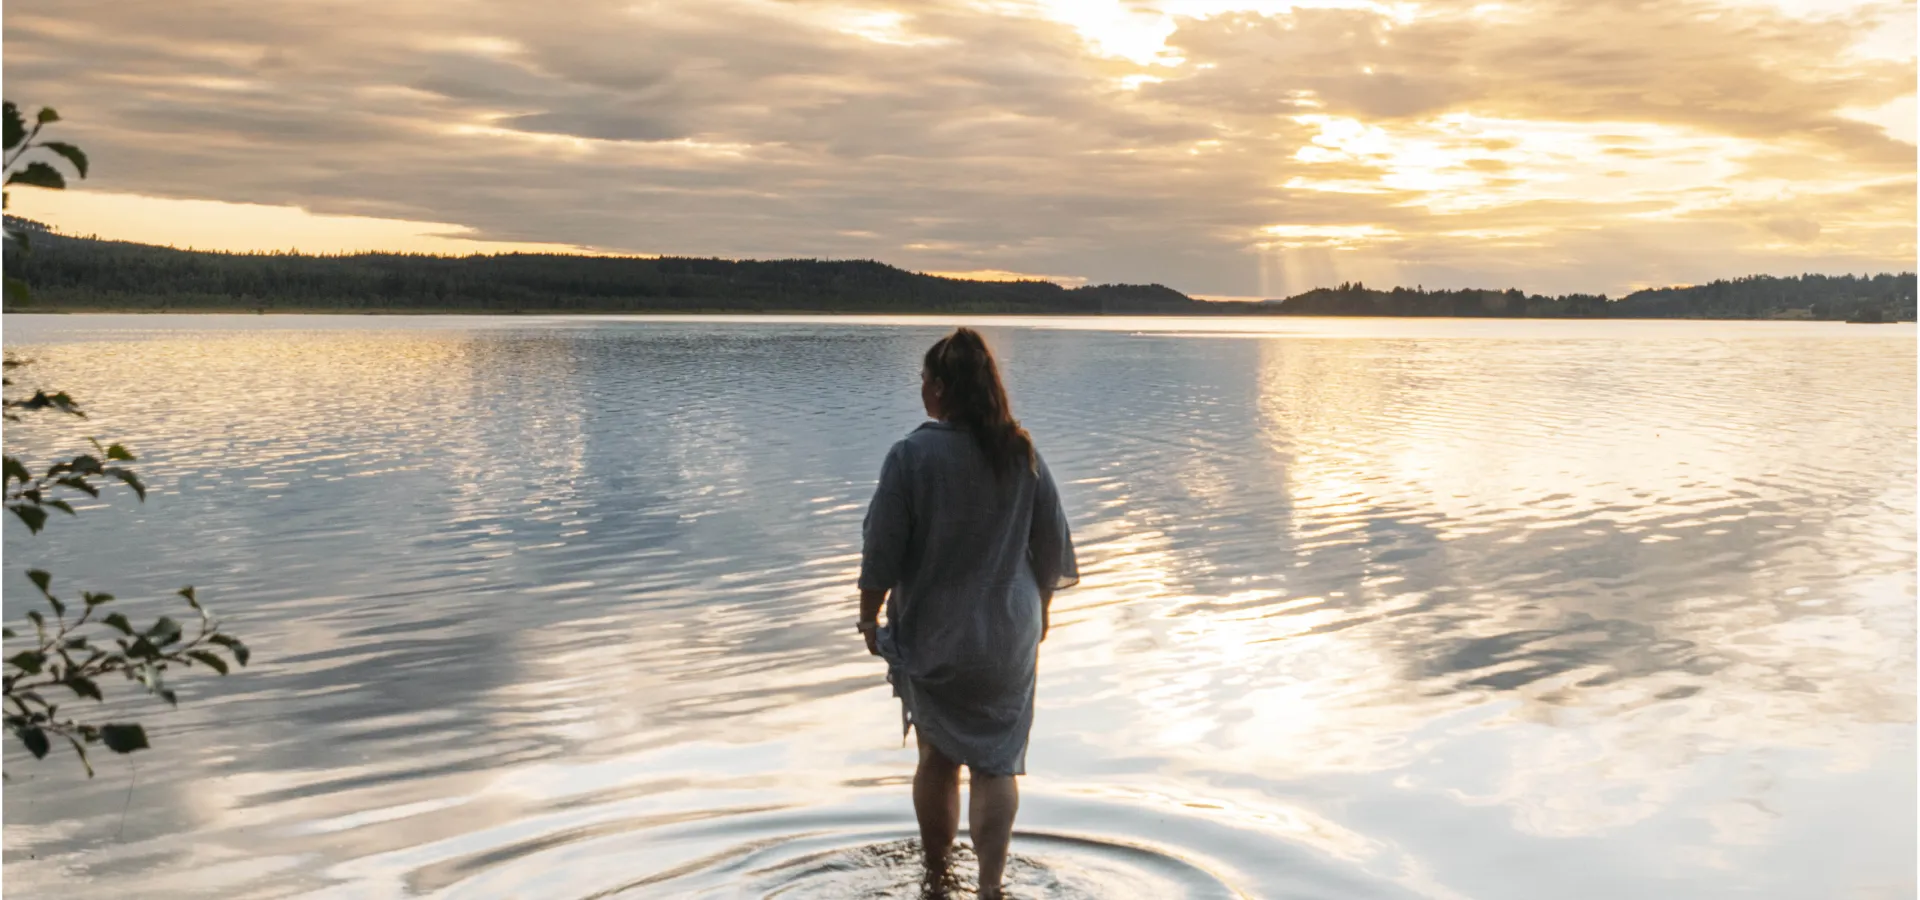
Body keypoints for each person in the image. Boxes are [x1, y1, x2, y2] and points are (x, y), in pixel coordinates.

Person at [857, 327, 1079, 899]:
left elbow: (882, 549)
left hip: (935, 636)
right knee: (996, 762)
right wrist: (1041, 611)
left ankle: (936, 880)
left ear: (941, 389)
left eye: (925, 379)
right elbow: (1053, 548)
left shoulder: (910, 455)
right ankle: (989, 888)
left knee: (937, 757)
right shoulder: (1021, 452)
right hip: (1008, 636)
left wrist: (868, 614)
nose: (921, 389)